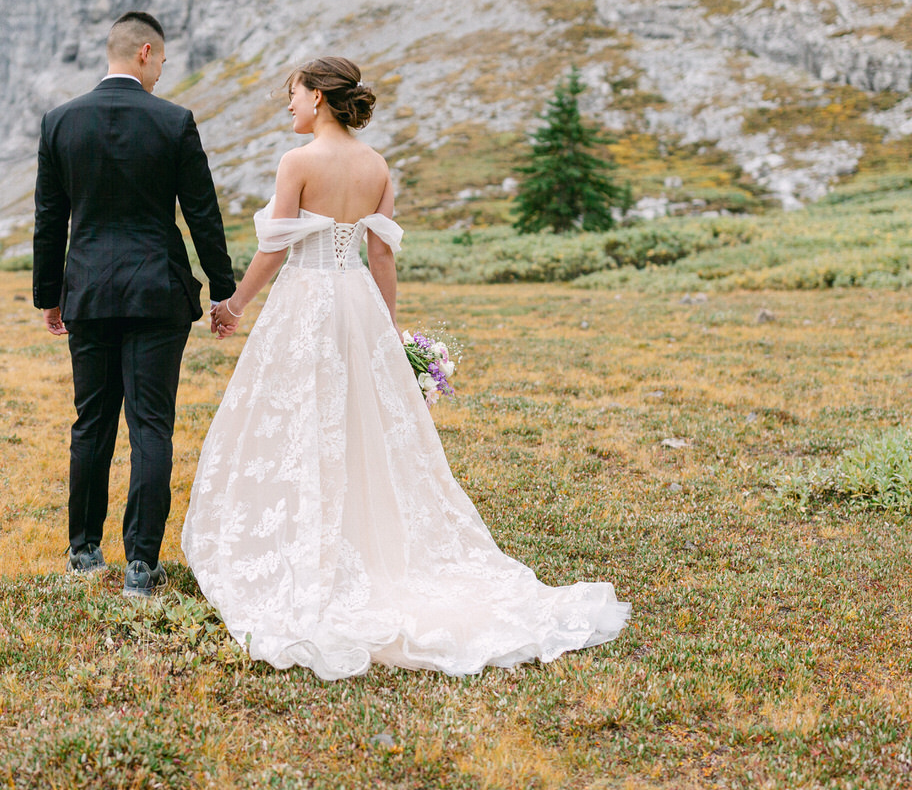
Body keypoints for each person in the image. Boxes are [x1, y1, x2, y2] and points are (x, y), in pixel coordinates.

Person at [183, 56, 629, 679]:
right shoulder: (376, 166)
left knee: (298, 416)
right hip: (358, 301)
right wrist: (388, 331)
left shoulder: (298, 163)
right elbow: (382, 255)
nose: (288, 107)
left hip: (307, 302)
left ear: (317, 98)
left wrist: (231, 305)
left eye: (292, 95)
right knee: (366, 424)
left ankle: (305, 539)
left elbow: (274, 248)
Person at [34, 11, 235, 598]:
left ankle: (83, 551)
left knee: (90, 422)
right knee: (152, 426)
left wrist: (51, 295)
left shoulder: (59, 122)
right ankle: (141, 567)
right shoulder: (174, 122)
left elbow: (50, 220)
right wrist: (222, 288)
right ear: (146, 52)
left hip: (89, 292)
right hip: (157, 293)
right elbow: (202, 213)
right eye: (164, 61)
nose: (163, 71)